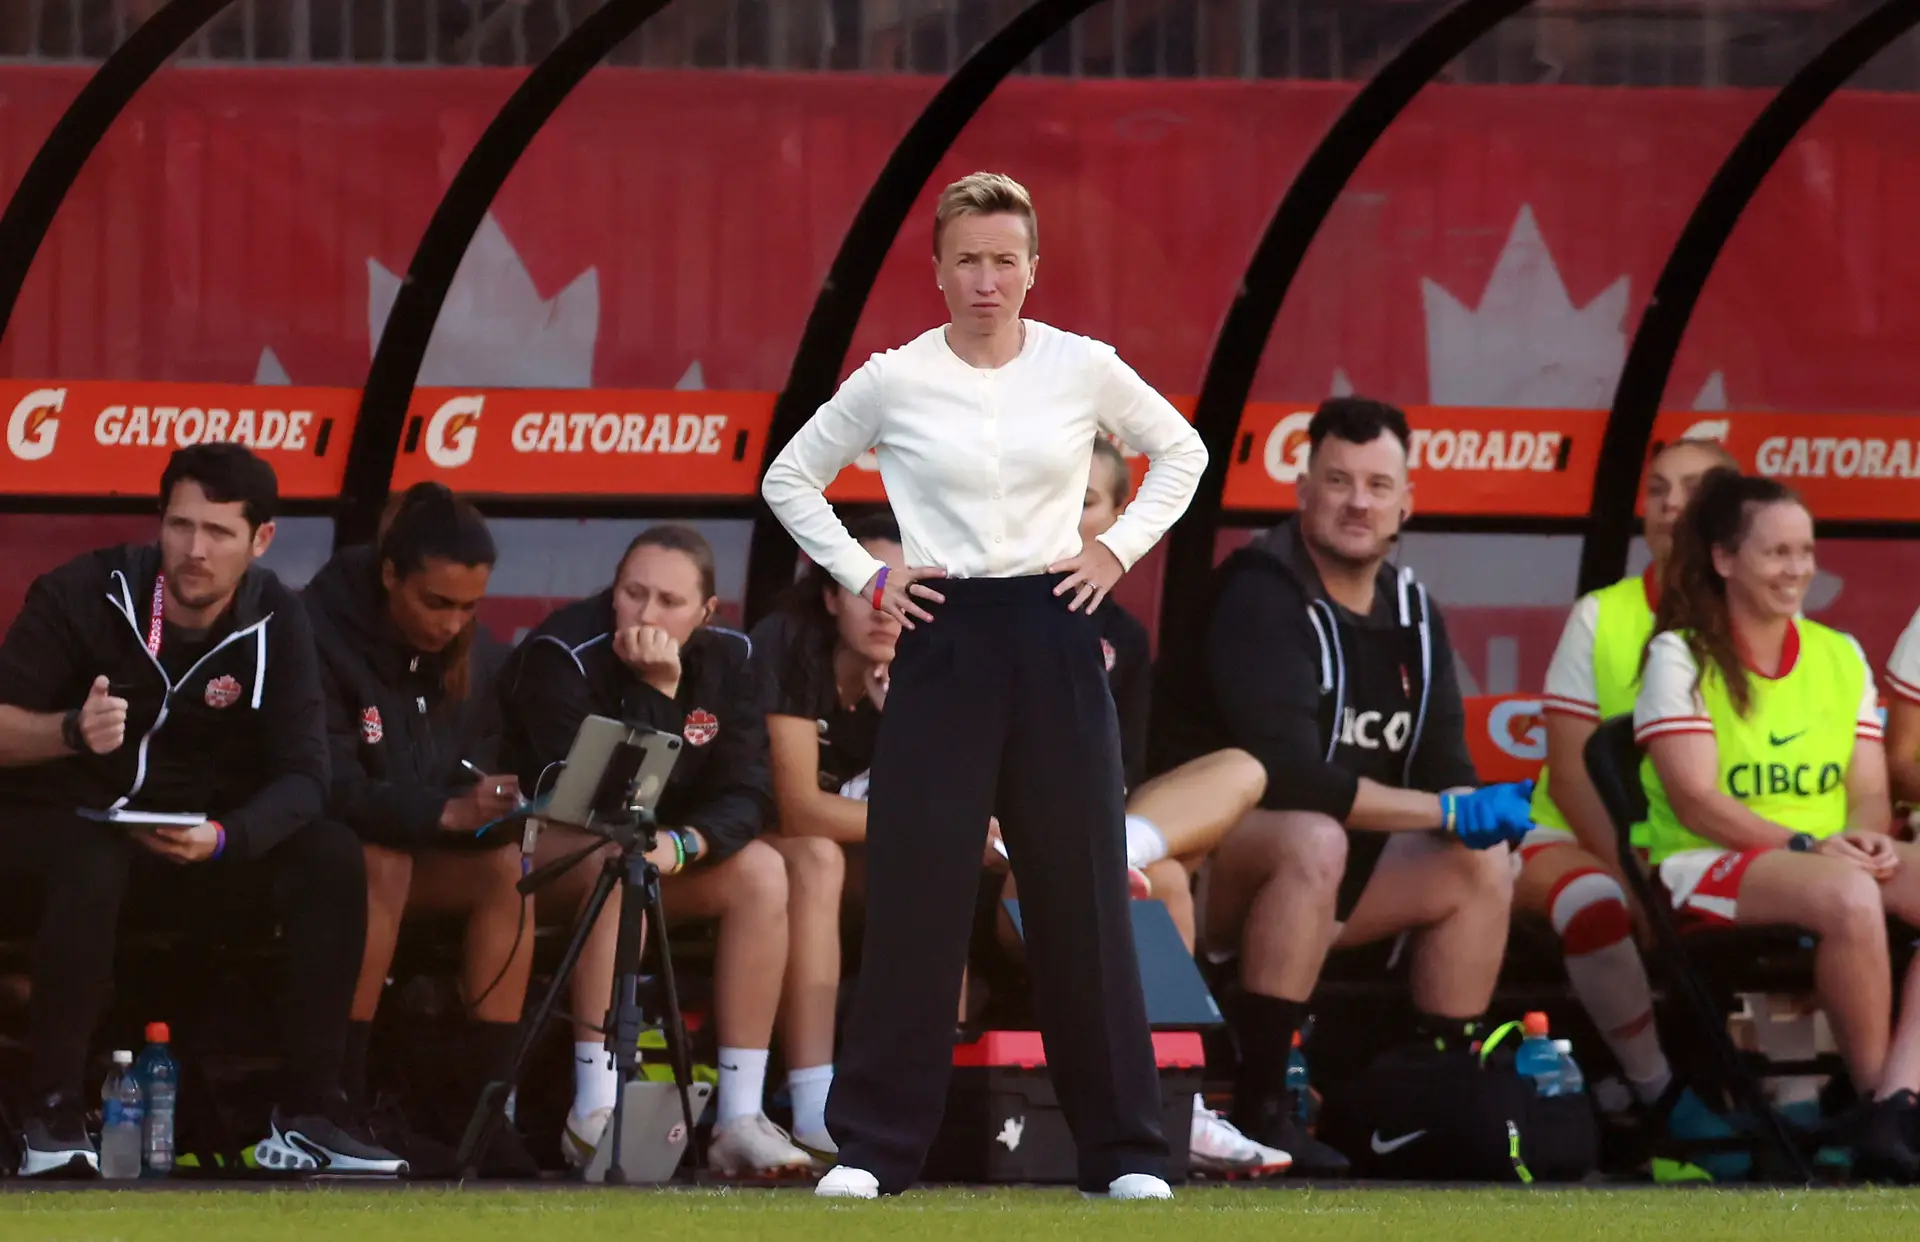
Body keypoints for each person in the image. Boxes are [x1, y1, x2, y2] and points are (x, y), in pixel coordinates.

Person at [762, 170, 1207, 1201]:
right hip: (944, 631)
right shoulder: (893, 377)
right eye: (968, 259)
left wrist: (1120, 550)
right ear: (938, 269)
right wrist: (869, 574)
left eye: (1005, 260)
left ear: (1033, 269)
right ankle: (873, 1151)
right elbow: (789, 476)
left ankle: (1125, 1155)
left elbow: (1179, 453)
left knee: (1080, 895)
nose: (986, 279)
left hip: (1055, 627)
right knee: (920, 893)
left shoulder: (1081, 365)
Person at [1151, 396, 1535, 1176]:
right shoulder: (1261, 592)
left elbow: (1446, 770)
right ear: (1303, 490)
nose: (1358, 502)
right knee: (1313, 836)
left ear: (1406, 502)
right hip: (1205, 872)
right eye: (1337, 480)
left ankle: (1435, 1102)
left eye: (1377, 485)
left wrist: (1480, 814)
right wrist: (1444, 808)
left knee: (1482, 862)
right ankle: (1261, 1106)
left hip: (1334, 879)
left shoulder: (1414, 612)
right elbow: (1287, 775)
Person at [0, 443, 404, 1177]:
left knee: (331, 854)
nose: (194, 550)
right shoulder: (87, 592)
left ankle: (312, 1113)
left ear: (261, 540)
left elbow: (306, 776)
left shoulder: (277, 616)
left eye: (218, 533)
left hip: (200, 850)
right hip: (67, 837)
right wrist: (68, 731)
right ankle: (51, 1117)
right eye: (180, 526)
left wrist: (227, 837)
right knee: (88, 855)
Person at [996, 436, 1286, 1178]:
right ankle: (1171, 1107)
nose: (1068, 518)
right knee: (1157, 879)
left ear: (1120, 516)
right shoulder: (981, 607)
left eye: (1088, 501)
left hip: (1092, 833)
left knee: (1237, 775)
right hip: (998, 866)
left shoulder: (1121, 634)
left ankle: (1174, 1104)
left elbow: (1117, 773)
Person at [498, 523, 824, 1177]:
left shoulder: (732, 658)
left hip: (659, 857)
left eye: (669, 602)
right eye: (632, 593)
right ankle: (594, 1107)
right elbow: (592, 798)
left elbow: (749, 792)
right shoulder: (564, 650)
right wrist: (657, 692)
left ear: (707, 612)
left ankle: (738, 1117)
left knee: (762, 868)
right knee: (615, 854)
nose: (646, 615)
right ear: (612, 590)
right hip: (554, 855)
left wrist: (687, 843)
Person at [1632, 468, 1920, 1180]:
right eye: (1777, 553)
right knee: (1848, 897)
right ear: (1725, 559)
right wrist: (1808, 846)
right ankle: (1878, 1112)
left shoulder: (1838, 653)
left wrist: (1871, 834)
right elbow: (1696, 801)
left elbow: (1867, 786)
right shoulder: (1679, 655)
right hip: (1707, 863)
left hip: (1825, 857)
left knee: (1870, 881)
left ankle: (1894, 1102)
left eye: (1806, 552)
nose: (1797, 571)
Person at [1513, 437, 1741, 1176]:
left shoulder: (1754, 618)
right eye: (1658, 491)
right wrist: (1630, 870)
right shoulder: (1601, 615)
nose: (1671, 506)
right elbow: (1574, 773)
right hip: (1571, 834)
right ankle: (1659, 1096)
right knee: (1598, 901)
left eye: (1692, 491)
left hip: (1694, 846)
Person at [301, 481, 536, 1177]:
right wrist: (443, 810)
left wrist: (490, 799)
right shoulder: (314, 631)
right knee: (381, 858)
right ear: (388, 575)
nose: (452, 623)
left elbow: (474, 758)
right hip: (311, 857)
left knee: (507, 868)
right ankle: (338, 1097)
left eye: (469, 607)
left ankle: (486, 1108)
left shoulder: (473, 654)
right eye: (436, 603)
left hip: (420, 846)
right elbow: (323, 785)